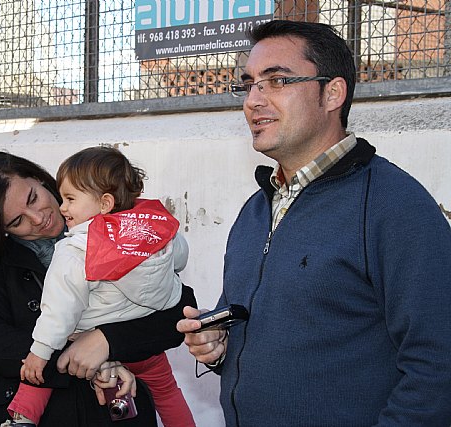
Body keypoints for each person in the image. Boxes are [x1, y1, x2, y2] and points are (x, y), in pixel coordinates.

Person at [177, 19, 451, 427]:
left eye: (277, 81)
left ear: (332, 93)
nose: (253, 101)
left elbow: (438, 364)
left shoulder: (395, 206)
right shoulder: (256, 210)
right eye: (249, 84)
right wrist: (221, 347)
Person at [0, 149, 198, 427]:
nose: (38, 218)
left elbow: (179, 310)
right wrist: (86, 358)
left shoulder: (122, 223)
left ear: (39, 179)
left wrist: (107, 341)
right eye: (17, 221)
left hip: (121, 412)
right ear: (0, 229)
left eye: (33, 198)